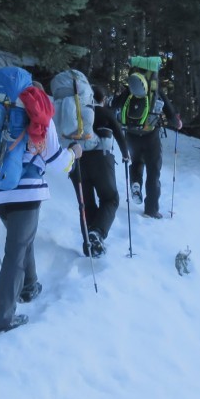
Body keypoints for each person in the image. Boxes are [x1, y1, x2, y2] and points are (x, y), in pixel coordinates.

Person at [0, 71, 82, 333]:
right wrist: (74, 155)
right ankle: (2, 318)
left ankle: (29, 286)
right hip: (26, 192)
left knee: (21, 239)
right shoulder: (40, 116)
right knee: (16, 252)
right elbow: (56, 162)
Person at [111, 70, 182, 219]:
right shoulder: (156, 92)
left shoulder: (128, 91)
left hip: (131, 135)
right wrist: (177, 122)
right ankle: (151, 209)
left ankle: (136, 182)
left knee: (137, 161)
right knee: (153, 171)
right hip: (151, 137)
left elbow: (114, 104)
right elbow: (170, 115)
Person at [70, 84, 130, 258]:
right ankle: (97, 233)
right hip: (101, 161)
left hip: (77, 162)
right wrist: (125, 155)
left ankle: (90, 244)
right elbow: (119, 133)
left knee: (85, 204)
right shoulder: (105, 112)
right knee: (110, 198)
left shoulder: (77, 113)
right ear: (102, 100)